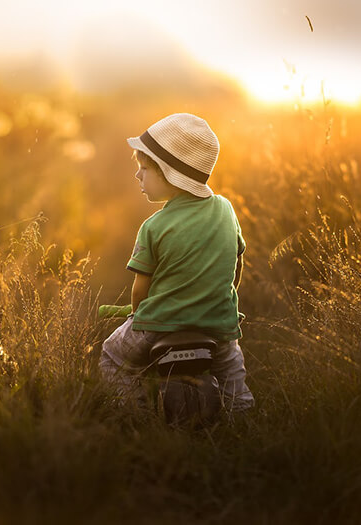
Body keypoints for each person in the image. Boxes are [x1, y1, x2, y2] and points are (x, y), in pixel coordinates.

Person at [99, 113, 255, 412]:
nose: (137, 176)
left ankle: (137, 417)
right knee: (234, 380)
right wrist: (222, 299)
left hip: (158, 325)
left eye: (144, 168)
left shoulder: (153, 226)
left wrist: (137, 317)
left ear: (170, 174)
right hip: (218, 325)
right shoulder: (225, 209)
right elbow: (235, 268)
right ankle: (241, 421)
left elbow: (139, 291)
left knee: (113, 357)